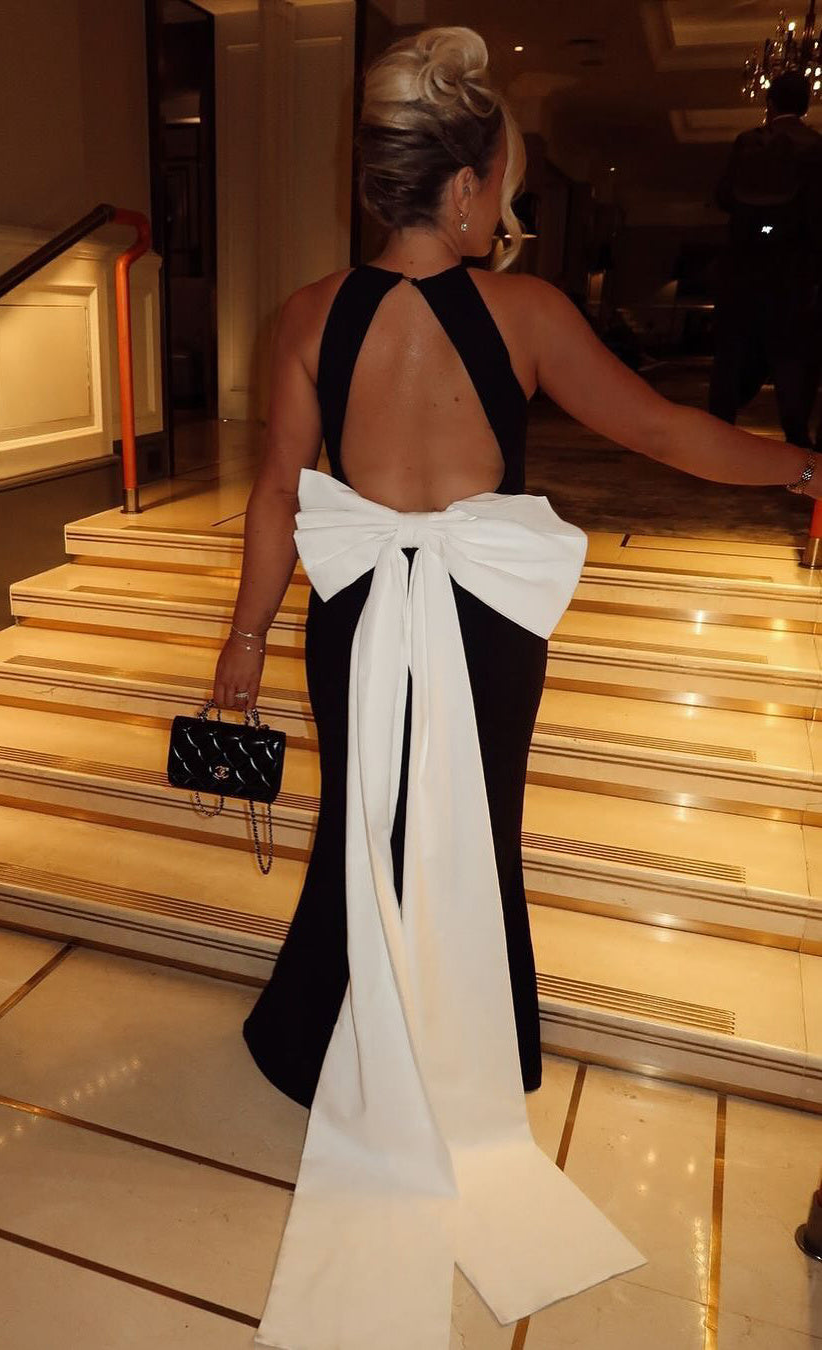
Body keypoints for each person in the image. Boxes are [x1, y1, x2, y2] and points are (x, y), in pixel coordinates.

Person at [207, 25, 821, 1349]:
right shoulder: (523, 315)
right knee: (474, 830)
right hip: (484, 620)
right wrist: (797, 464)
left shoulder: (306, 315)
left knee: (362, 828)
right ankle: (471, 1043)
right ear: (464, 186)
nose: (508, 204)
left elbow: (273, 498)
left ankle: (317, 1034)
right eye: (505, 181)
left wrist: (246, 639)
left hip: (355, 613)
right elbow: (660, 430)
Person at [710, 69, 822, 447]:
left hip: (743, 265)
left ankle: (716, 441)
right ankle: (799, 452)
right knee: (792, 360)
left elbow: (724, 196)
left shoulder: (748, 142)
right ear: (806, 106)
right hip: (793, 270)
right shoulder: (816, 146)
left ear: (770, 104)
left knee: (730, 355)